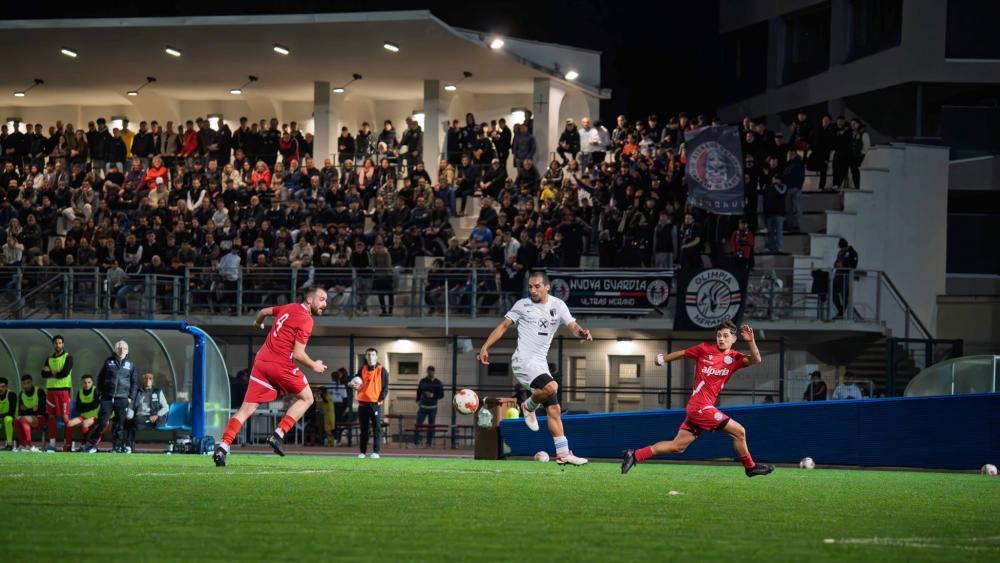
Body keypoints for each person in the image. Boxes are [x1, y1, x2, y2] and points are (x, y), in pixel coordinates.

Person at [621, 322, 775, 478]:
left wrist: (751, 341)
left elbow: (756, 359)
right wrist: (662, 359)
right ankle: (750, 467)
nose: (721, 339)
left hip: (700, 409)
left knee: (677, 446)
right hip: (699, 406)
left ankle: (634, 455)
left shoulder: (734, 358)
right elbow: (683, 353)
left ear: (734, 339)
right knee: (739, 431)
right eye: (719, 335)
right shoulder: (704, 349)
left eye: (726, 336)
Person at [478, 271, 592, 466]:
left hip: (540, 364)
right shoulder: (522, 305)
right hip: (523, 361)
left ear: (547, 287)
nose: (533, 290)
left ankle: (563, 454)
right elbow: (504, 326)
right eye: (530, 287)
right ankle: (528, 405)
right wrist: (485, 347)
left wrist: (581, 332)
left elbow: (572, 325)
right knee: (552, 387)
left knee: (554, 409)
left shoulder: (558, 305)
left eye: (537, 286)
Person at [214, 286, 328, 466]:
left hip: (261, 363)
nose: (325, 304)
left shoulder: (288, 307)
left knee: (245, 411)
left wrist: (258, 322)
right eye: (321, 299)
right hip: (280, 364)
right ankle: (278, 434)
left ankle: (222, 447)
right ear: (309, 300)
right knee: (307, 398)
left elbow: (263, 311)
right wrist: (315, 365)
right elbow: (298, 354)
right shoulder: (306, 319)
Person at [83, 340, 137, 453]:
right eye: (119, 348)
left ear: (127, 351)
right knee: (102, 422)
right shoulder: (108, 361)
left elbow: (134, 382)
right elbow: (100, 378)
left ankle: (116, 447)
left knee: (119, 424)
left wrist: (130, 398)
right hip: (107, 398)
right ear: (115, 349)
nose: (122, 350)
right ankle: (91, 444)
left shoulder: (131, 364)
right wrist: (100, 394)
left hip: (122, 398)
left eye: (124, 348)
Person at [41, 334, 75, 452]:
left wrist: (50, 371)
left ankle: (68, 444)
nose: (58, 345)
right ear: (53, 344)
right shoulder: (49, 359)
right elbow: (43, 374)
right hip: (51, 391)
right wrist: (55, 372)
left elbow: (64, 373)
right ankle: (52, 444)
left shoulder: (68, 357)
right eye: (56, 343)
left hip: (63, 391)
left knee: (66, 418)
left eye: (60, 343)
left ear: (63, 344)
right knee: (51, 418)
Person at [355, 348, 389, 459]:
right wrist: (353, 383)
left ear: (376, 357)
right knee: (364, 429)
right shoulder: (362, 369)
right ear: (366, 356)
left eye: (373, 355)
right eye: (368, 354)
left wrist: (380, 399)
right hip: (362, 404)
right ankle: (362, 452)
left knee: (376, 429)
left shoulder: (381, 370)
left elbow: (385, 387)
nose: (370, 357)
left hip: (375, 404)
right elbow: (356, 381)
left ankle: (376, 452)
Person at [125, 372, 169, 452]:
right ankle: (127, 447)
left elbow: (166, 408)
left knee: (135, 422)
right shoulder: (137, 392)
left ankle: (128, 445)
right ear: (142, 380)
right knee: (129, 422)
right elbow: (131, 406)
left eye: (150, 378)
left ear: (153, 381)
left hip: (153, 419)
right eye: (146, 378)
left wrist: (157, 415)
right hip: (140, 418)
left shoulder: (158, 391)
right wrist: (129, 416)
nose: (148, 380)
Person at [67, 374, 100, 451]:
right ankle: (68, 445)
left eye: (89, 382)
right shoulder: (80, 392)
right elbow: (79, 407)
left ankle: (84, 444)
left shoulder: (96, 390)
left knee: (85, 423)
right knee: (69, 423)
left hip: (94, 417)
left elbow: (95, 405)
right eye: (84, 382)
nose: (87, 384)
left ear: (92, 383)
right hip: (83, 416)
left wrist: (84, 406)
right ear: (82, 383)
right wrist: (88, 406)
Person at [413, 366, 444, 447]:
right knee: (418, 424)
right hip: (423, 406)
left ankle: (428, 443)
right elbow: (419, 391)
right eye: (429, 371)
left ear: (434, 372)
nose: (430, 373)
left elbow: (441, 395)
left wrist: (432, 395)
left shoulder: (438, 382)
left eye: (432, 371)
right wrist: (418, 400)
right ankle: (416, 442)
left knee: (431, 426)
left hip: (433, 407)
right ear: (427, 372)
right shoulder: (423, 381)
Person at [15, 375, 47, 451]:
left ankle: (29, 445)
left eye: (28, 383)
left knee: (24, 418)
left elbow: (41, 410)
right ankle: (22, 445)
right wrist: (33, 409)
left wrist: (27, 410)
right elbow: (21, 411)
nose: (26, 385)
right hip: (27, 418)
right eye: (24, 383)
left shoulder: (39, 391)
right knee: (16, 420)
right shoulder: (21, 394)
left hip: (41, 418)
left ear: (31, 382)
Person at [833, 238, 858, 319]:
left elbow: (853, 266)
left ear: (846, 246)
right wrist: (839, 265)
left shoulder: (852, 253)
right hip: (838, 276)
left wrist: (843, 265)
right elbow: (835, 264)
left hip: (845, 276)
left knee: (845, 295)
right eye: (841, 248)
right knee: (833, 293)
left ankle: (843, 312)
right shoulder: (840, 252)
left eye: (843, 248)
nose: (842, 249)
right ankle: (840, 310)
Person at [0, 377, 16, 450]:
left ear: (6, 387)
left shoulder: (11, 394)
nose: (0, 389)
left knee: (8, 419)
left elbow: (11, 413)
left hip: (11, 419)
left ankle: (9, 444)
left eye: (2, 387)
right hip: (1, 418)